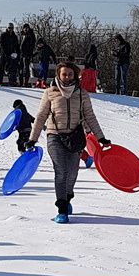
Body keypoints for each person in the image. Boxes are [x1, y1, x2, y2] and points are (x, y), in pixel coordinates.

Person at [28, 58, 109, 223]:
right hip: (55, 136)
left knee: (72, 172)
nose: (67, 77)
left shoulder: (81, 93)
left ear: (75, 75)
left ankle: (68, 196)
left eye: (70, 74)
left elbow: (90, 116)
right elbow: (41, 116)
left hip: (75, 137)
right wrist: (32, 139)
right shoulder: (50, 92)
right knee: (61, 171)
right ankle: (62, 208)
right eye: (64, 74)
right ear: (58, 74)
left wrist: (100, 137)